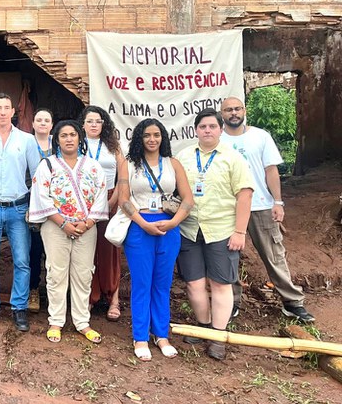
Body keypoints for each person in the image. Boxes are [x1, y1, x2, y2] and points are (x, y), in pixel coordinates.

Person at [220, 97, 315, 323]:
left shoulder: (260, 136)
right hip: (227, 208)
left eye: (237, 109)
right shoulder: (217, 139)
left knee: (274, 255)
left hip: (260, 205)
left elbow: (271, 170)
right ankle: (231, 303)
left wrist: (278, 202)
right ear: (222, 114)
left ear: (244, 110)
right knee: (227, 258)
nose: (233, 113)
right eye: (228, 110)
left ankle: (292, 303)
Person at [176, 108, 254, 360]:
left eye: (212, 126)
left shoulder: (233, 159)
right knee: (194, 283)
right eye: (202, 127)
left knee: (221, 284)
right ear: (195, 130)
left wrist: (240, 231)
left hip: (222, 230)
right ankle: (203, 326)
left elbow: (245, 195)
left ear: (221, 130)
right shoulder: (183, 157)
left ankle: (218, 336)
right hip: (189, 229)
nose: (207, 130)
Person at [118, 118, 194, 361]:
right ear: (139, 138)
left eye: (157, 135)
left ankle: (161, 335)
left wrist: (174, 222)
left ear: (163, 138)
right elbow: (124, 200)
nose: (152, 139)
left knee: (162, 284)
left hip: (169, 228)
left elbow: (188, 200)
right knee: (142, 284)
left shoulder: (173, 164)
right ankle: (140, 337)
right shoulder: (129, 164)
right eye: (147, 135)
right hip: (140, 227)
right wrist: (143, 224)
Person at [29, 120, 109, 344]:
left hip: (86, 228)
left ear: (79, 138)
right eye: (63, 135)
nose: (69, 139)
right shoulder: (48, 166)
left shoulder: (92, 166)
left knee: (84, 274)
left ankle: (82, 322)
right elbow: (41, 196)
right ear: (57, 140)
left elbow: (101, 194)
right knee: (56, 273)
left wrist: (88, 223)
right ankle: (56, 320)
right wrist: (63, 223)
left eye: (73, 134)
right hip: (56, 227)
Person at [0, 93, 40, 332]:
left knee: (22, 261)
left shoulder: (27, 140)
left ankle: (19, 307)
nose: (2, 112)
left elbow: (37, 175)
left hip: (18, 207)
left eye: (6, 108)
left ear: (14, 112)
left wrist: (34, 207)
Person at [80, 105, 125, 322]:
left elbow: (122, 176)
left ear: (104, 123)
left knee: (110, 249)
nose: (94, 125)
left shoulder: (113, 146)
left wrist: (113, 199)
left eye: (98, 121)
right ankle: (90, 297)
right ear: (83, 124)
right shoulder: (77, 144)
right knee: (87, 249)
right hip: (83, 200)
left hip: (109, 198)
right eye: (90, 121)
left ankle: (113, 298)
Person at [29, 108, 54, 313]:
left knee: (54, 251)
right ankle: (34, 290)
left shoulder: (60, 143)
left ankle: (55, 293)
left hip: (57, 203)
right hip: (32, 202)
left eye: (47, 120)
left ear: (52, 124)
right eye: (39, 120)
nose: (43, 123)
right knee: (34, 249)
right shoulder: (26, 143)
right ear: (33, 124)